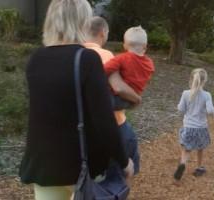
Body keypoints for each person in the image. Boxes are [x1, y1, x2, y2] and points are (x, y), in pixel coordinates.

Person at [19, 1, 133, 199]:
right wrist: (124, 161)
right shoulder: (86, 59)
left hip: (43, 165)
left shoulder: (36, 59)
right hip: (81, 168)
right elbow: (103, 119)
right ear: (82, 21)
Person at [84, 17, 142, 188]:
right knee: (121, 175)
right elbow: (119, 87)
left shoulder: (76, 53)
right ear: (103, 33)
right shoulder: (104, 55)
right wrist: (137, 99)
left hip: (85, 129)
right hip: (113, 125)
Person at [173, 68, 214, 181]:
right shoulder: (207, 95)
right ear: (205, 81)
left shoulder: (185, 93)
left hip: (188, 127)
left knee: (186, 149)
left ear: (192, 79)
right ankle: (199, 167)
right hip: (201, 128)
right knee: (200, 148)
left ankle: (182, 164)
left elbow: (181, 109)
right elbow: (209, 110)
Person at [104, 26, 155, 111]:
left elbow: (104, 69)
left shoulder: (122, 58)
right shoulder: (150, 63)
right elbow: (149, 78)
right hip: (131, 100)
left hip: (117, 98)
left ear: (125, 45)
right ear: (145, 47)